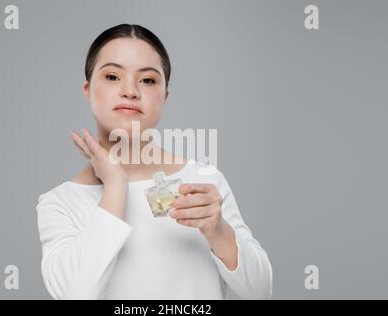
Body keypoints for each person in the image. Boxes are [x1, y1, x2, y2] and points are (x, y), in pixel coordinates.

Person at [35, 24, 272, 299]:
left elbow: (260, 292)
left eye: (147, 80)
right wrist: (114, 186)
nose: (130, 91)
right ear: (88, 90)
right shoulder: (60, 202)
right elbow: (76, 294)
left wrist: (219, 231)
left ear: (164, 96)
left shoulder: (204, 181)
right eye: (112, 76)